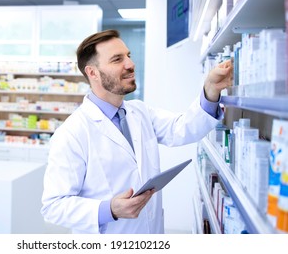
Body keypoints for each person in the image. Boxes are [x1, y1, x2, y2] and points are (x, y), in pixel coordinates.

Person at [41, 29, 233, 234]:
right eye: (117, 59)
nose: (130, 64)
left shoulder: (139, 112)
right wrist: (110, 209)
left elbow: (182, 128)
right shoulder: (71, 133)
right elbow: (53, 206)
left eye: (128, 56)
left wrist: (211, 88)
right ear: (92, 72)